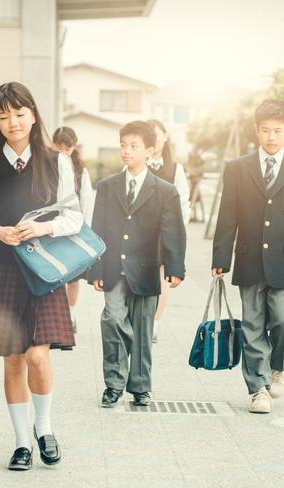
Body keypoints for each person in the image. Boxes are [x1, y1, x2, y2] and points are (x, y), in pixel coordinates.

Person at [0, 82, 83, 470]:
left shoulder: (55, 160)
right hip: (1, 267)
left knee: (38, 357)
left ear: (32, 114)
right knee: (13, 360)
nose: (12, 122)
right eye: (3, 115)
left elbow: (74, 215)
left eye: (18, 113)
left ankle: (44, 429)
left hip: (42, 269)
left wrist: (44, 229)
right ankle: (20, 443)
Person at [88, 120, 186, 409]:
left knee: (143, 329)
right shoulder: (107, 187)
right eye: (123, 145)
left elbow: (173, 231)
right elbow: (98, 229)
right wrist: (95, 269)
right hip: (113, 268)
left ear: (150, 150)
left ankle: (141, 386)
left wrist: (175, 267)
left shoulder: (165, 190)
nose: (126, 151)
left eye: (133, 146)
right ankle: (114, 383)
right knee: (112, 320)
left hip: (146, 269)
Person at [212, 99, 284, 414]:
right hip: (250, 258)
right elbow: (227, 215)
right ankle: (258, 390)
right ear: (256, 130)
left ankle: (277, 368)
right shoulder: (238, 168)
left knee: (281, 320)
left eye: (278, 131)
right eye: (266, 130)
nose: (271, 137)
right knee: (253, 324)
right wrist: (221, 258)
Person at [146, 119, 190, 343]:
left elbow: (183, 203)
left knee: (161, 277)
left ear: (165, 136)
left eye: (158, 134)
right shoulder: (135, 163)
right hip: (140, 232)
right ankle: (140, 319)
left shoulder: (175, 169)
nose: (154, 139)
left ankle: (154, 323)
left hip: (165, 231)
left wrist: (179, 232)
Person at [52, 126, 94, 332]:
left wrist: (84, 229)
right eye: (59, 148)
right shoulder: (48, 164)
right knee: (55, 274)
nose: (63, 152)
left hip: (74, 229)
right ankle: (56, 314)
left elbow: (86, 201)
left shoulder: (80, 169)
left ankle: (71, 314)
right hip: (52, 228)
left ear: (73, 147)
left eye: (67, 149)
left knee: (74, 278)